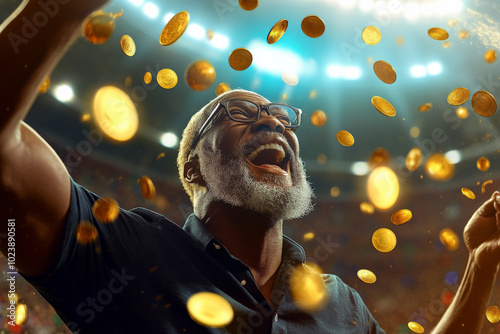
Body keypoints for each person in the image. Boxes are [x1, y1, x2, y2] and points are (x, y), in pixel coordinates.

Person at [1, 0, 500, 333]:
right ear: (193, 168)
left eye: (283, 118)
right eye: (240, 113)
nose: (273, 124)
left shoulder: (339, 303)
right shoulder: (123, 251)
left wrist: (479, 262)